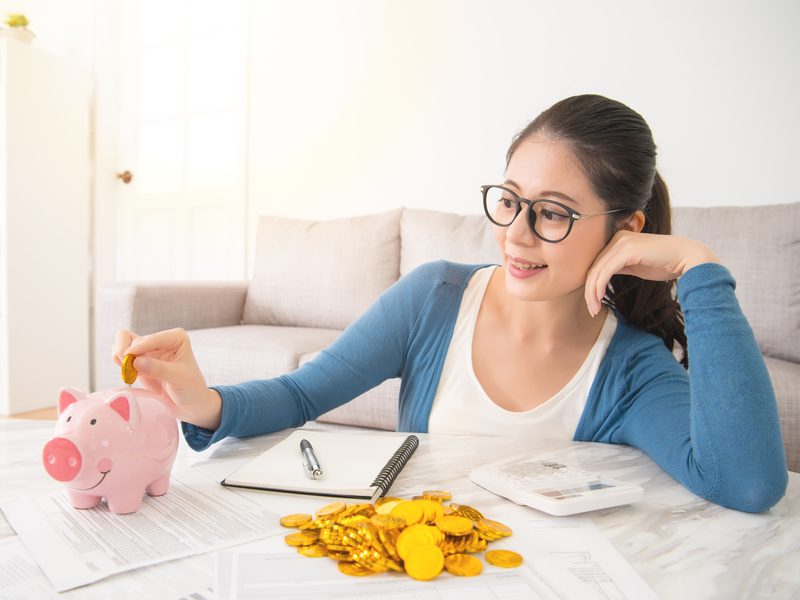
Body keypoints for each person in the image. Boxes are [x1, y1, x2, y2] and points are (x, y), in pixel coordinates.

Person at [113, 94, 788, 513]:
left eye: (553, 214)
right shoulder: (434, 298)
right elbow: (300, 395)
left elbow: (746, 483)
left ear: (627, 231)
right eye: (510, 200)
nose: (516, 234)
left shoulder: (632, 372)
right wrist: (202, 402)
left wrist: (700, 268)